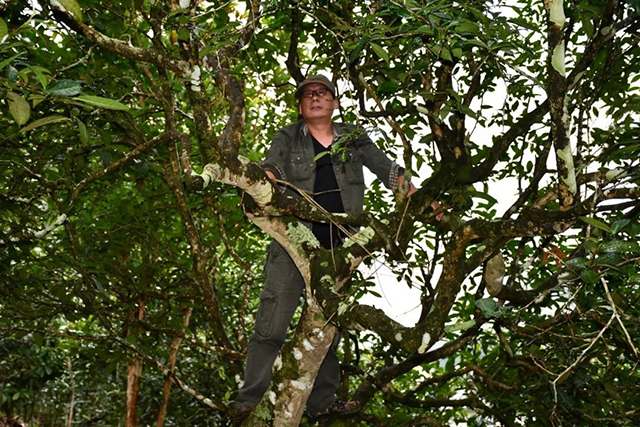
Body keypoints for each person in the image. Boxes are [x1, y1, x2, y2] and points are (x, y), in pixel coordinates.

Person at [234, 74, 417, 425]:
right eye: (308, 95)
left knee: (325, 327)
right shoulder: (289, 136)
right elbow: (272, 166)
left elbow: (387, 170)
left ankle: (321, 403)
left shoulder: (353, 137)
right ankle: (249, 403)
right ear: (301, 106)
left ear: (334, 102)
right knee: (271, 326)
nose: (315, 98)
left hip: (339, 245)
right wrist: (261, 184)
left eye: (323, 93)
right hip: (294, 240)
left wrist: (420, 199)